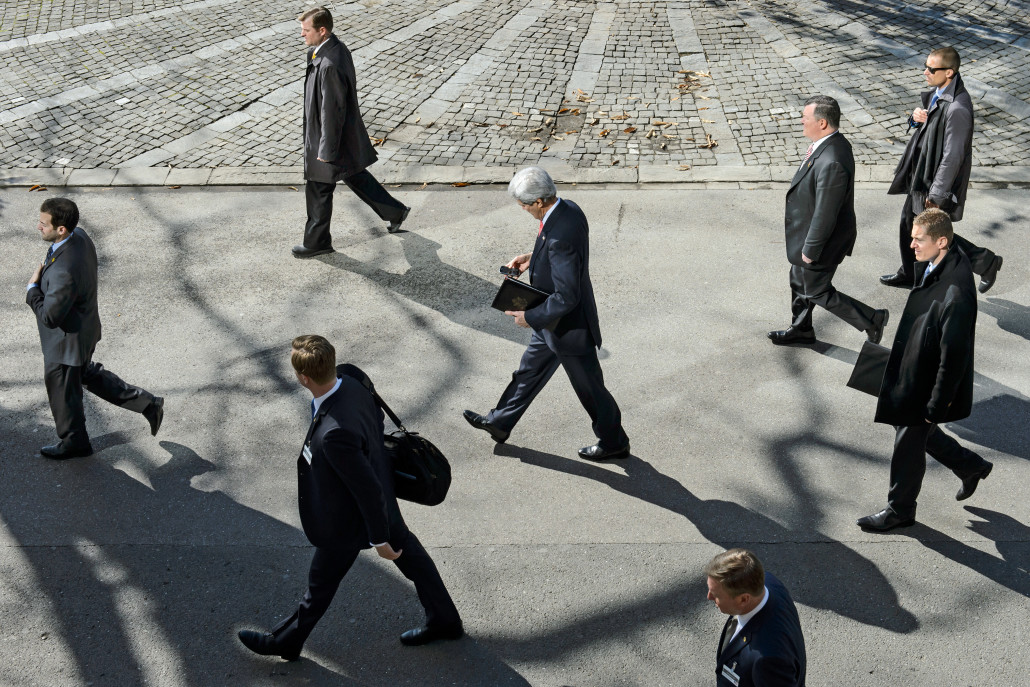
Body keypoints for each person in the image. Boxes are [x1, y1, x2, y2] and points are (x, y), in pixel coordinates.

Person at [238, 335, 462, 660]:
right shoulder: (352, 378)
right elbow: (376, 418)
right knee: (414, 560)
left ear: (304, 378)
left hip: (348, 517)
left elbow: (366, 490)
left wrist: (379, 539)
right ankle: (445, 621)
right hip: (382, 490)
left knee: (320, 584)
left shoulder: (335, 435)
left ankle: (285, 642)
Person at [462, 167, 630, 460]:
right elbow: (561, 254)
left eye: (525, 205)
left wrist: (530, 318)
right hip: (551, 324)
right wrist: (532, 258)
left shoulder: (559, 237)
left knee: (591, 391)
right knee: (527, 373)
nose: (523, 209)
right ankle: (500, 422)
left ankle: (614, 443)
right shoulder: (568, 210)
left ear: (539, 201)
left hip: (568, 328)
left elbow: (567, 295)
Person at [858, 209, 993, 532]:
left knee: (908, 439)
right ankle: (970, 466)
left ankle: (900, 510)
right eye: (912, 237)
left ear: (941, 241)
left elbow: (954, 359)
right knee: (912, 430)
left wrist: (937, 404)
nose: (911, 245)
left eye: (919, 240)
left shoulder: (956, 295)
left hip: (926, 381)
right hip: (912, 362)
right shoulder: (942, 258)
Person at [25, 197, 164, 459]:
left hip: (65, 344)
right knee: (85, 374)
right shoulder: (80, 237)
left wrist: (32, 289)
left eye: (43, 224)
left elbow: (50, 317)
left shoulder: (64, 270)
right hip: (83, 331)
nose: (38, 227)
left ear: (61, 229)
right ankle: (148, 403)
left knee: (63, 394)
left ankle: (74, 442)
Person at [881, 46, 1003, 294]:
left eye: (931, 69)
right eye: (925, 66)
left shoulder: (958, 108)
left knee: (933, 233)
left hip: (934, 181)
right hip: (922, 174)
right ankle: (909, 272)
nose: (925, 72)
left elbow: (953, 156)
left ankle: (984, 261)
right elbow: (927, 129)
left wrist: (936, 195)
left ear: (949, 72)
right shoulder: (941, 92)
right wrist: (916, 119)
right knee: (910, 224)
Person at [769, 95, 888, 346]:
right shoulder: (827, 145)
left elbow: (826, 212)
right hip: (807, 234)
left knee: (815, 289)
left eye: (806, 117)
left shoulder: (832, 159)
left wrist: (810, 249)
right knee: (799, 280)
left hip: (822, 241)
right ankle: (801, 329)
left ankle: (872, 319)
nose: (801, 121)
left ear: (822, 123)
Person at [293, 6, 409, 258]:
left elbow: (332, 111)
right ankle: (394, 212)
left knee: (319, 189)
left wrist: (325, 149)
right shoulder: (330, 49)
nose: (302, 36)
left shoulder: (330, 63)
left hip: (328, 138)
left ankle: (316, 242)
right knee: (354, 175)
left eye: (305, 31)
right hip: (336, 137)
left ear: (322, 31)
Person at [705, 549, 806, 687]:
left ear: (744, 599)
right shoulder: (768, 583)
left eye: (716, 595)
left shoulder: (769, 660)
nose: (709, 597)